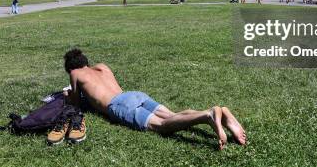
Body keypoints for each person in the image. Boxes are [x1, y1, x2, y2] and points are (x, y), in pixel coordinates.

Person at [58, 48, 246, 150]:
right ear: (86, 61)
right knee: (174, 117)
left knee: (162, 127)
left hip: (118, 104)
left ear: (71, 67)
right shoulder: (101, 67)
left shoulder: (75, 73)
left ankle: (209, 115)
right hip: (133, 95)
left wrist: (68, 94)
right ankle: (223, 117)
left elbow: (74, 103)